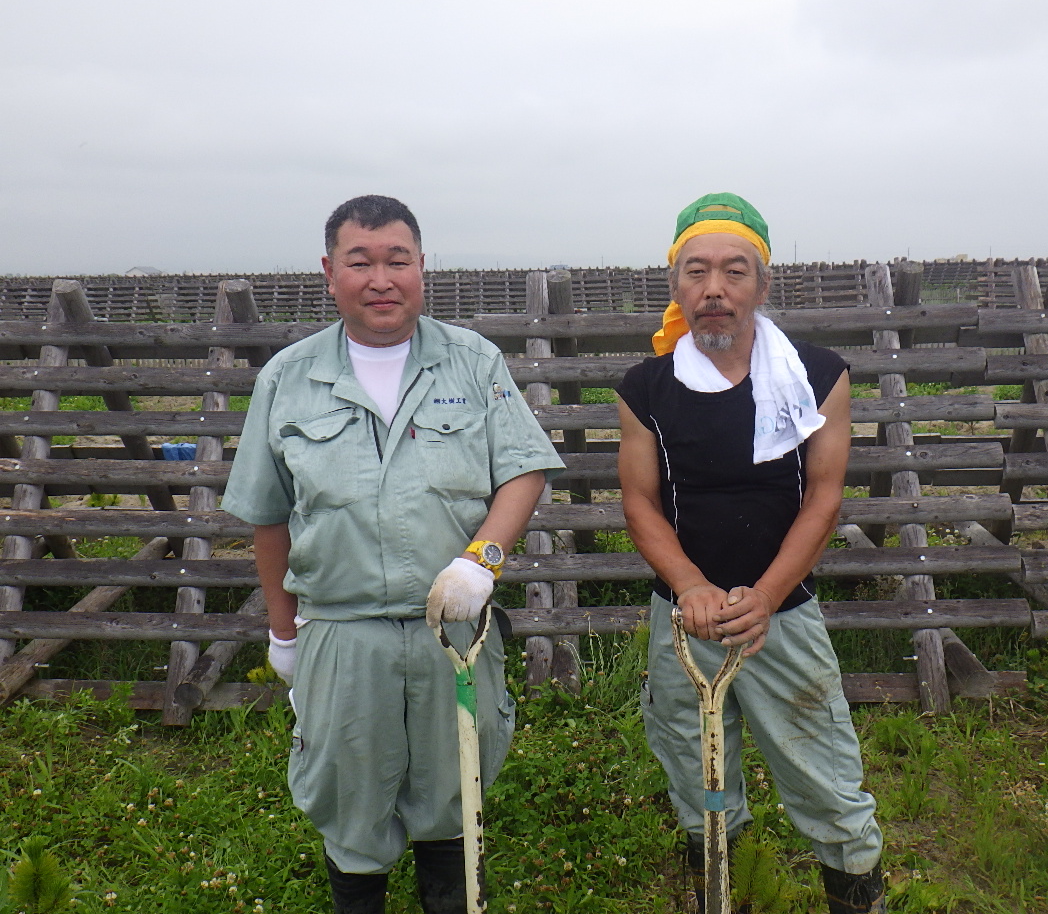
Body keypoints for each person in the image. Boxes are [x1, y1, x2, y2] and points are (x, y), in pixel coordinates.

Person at [222, 195, 564, 914]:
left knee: (453, 795)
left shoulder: (473, 361)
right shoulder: (287, 378)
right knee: (351, 809)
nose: (382, 278)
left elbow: (523, 469)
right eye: (361, 261)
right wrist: (284, 636)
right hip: (342, 637)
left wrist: (483, 560)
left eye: (397, 260)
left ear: (421, 267)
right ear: (329, 272)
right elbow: (267, 516)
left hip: (455, 633)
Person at [616, 193, 886, 914]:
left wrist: (764, 597)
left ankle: (855, 894)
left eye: (735, 272)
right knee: (696, 779)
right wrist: (690, 586)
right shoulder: (646, 388)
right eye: (695, 271)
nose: (714, 290)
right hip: (685, 618)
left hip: (783, 614)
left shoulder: (817, 376)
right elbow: (640, 502)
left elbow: (824, 496)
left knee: (826, 777)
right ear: (674, 284)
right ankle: (717, 890)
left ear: (763, 286)